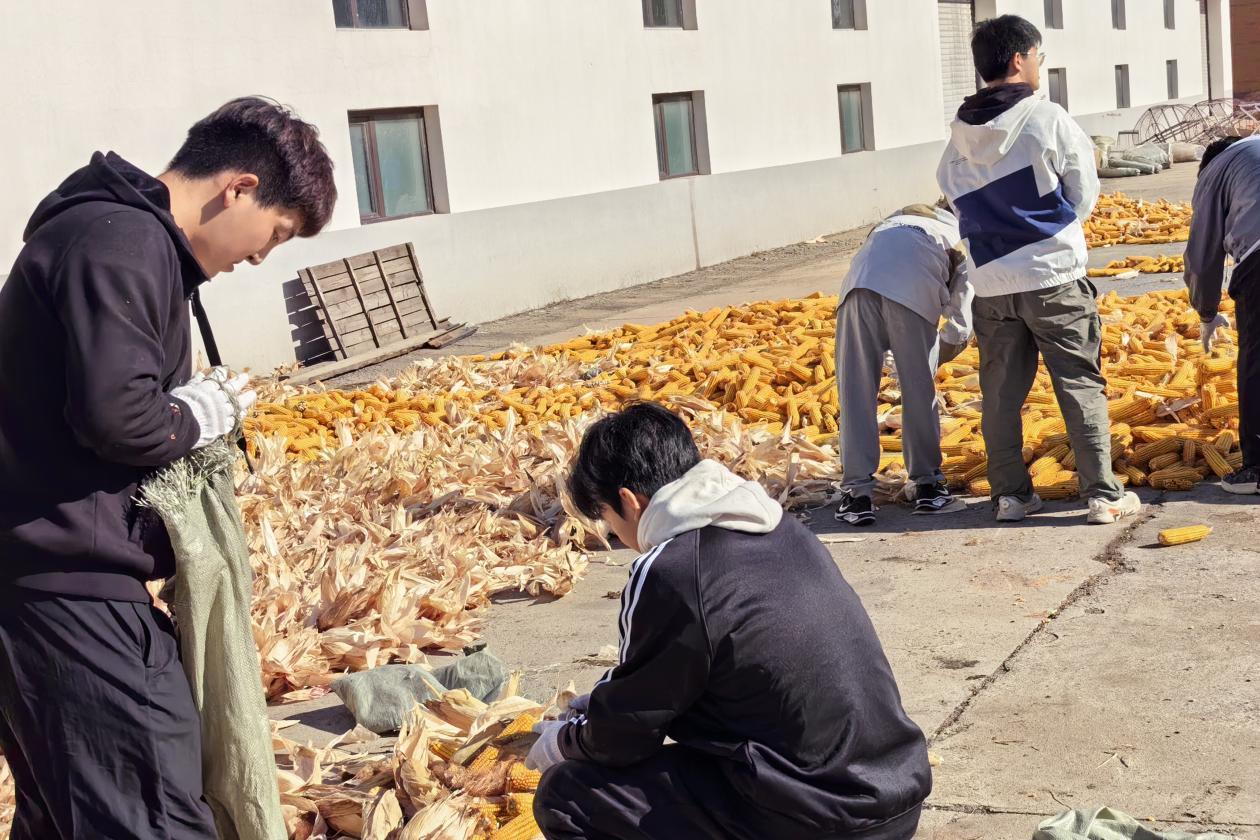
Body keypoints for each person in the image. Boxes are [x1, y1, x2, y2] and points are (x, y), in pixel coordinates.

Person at [0, 96, 336, 838]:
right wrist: (195, 417)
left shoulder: (114, 237)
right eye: (276, 234)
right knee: (150, 812)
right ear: (239, 188)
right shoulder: (122, 241)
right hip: (71, 590)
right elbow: (117, 416)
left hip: (48, 584)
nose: (260, 257)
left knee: (70, 814)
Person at [528, 403, 932, 840]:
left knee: (567, 795)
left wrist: (563, 742)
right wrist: (604, 700)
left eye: (608, 521)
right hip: (893, 798)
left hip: (822, 821)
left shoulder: (673, 569)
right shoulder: (782, 529)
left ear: (629, 501)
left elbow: (624, 739)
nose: (618, 537)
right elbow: (697, 667)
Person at [937, 14, 1141, 525]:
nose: (1040, 65)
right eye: (1038, 56)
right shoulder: (1045, 117)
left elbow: (953, 195)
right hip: (1052, 278)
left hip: (991, 286)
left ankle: (1010, 496)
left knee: (1000, 394)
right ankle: (1103, 494)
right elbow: (1083, 193)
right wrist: (1048, 232)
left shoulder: (958, 137)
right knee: (1078, 383)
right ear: (1018, 59)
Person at [834, 202, 975, 526]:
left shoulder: (890, 223)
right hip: (913, 295)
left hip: (856, 293)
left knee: (855, 394)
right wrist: (933, 358)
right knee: (918, 392)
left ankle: (856, 495)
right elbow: (960, 325)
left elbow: (877, 266)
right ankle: (928, 485)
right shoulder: (959, 238)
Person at [1183, 135, 1260, 494]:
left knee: (1257, 362)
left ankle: (1256, 469)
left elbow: (1202, 256)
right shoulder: (1251, 153)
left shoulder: (1215, 171)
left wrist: (1206, 313)